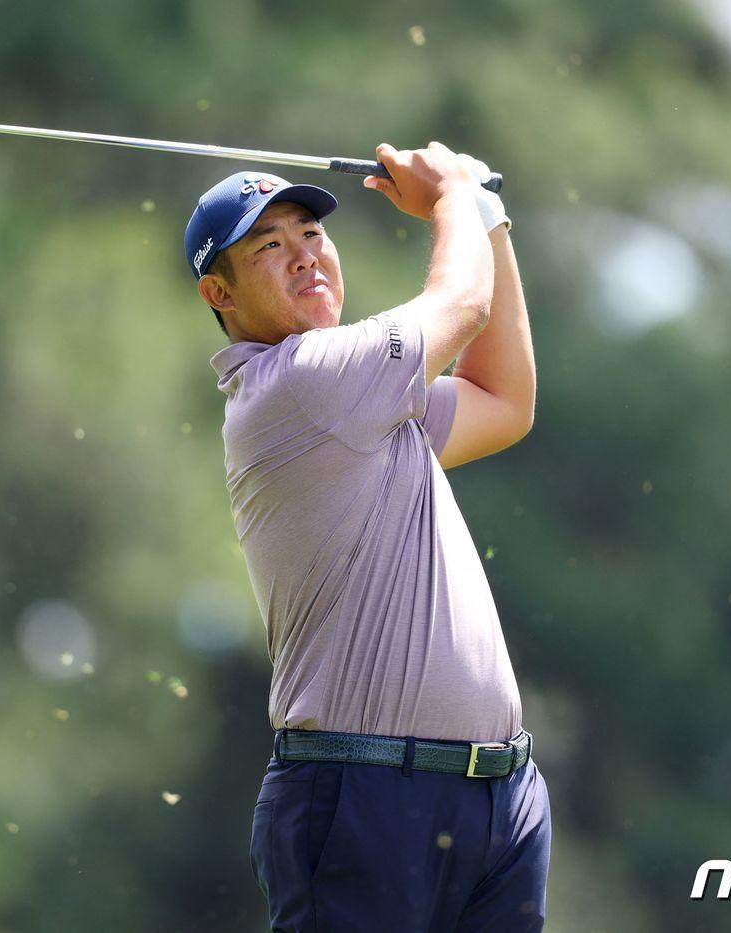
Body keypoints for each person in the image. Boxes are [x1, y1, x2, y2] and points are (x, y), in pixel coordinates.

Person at [184, 141, 546, 932]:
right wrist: (453, 196)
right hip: (365, 797)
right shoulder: (302, 384)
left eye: (310, 234)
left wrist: (489, 218)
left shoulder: (365, 400)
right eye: (268, 246)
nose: (303, 255)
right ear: (222, 292)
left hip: (498, 797)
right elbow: (462, 306)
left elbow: (504, 398)